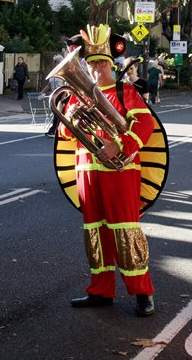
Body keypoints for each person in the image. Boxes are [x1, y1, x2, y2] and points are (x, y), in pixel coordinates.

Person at [59, 25, 156, 317]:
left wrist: (119, 144)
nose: (97, 67)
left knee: (125, 230)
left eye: (101, 62)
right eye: (92, 63)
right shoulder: (78, 95)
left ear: (110, 64)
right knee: (95, 232)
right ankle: (101, 290)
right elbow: (65, 135)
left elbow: (145, 125)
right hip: (87, 171)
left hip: (120, 172)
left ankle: (143, 292)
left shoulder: (126, 92)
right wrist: (70, 119)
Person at [41, 54, 65, 137]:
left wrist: (64, 96)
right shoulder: (53, 72)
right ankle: (55, 129)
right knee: (56, 113)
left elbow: (67, 85)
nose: (56, 64)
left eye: (57, 62)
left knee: (57, 113)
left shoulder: (64, 72)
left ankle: (53, 130)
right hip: (54, 95)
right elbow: (49, 85)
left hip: (61, 95)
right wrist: (42, 92)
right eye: (55, 62)